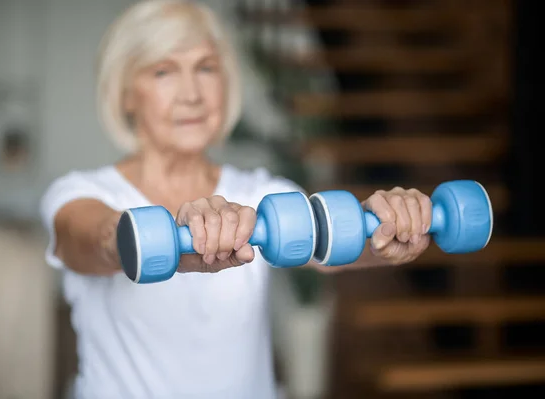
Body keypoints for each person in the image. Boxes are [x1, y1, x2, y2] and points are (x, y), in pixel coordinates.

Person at [39, 1, 433, 398]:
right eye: (163, 72)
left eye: (206, 68)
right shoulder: (80, 193)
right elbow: (99, 240)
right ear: (125, 95)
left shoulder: (260, 193)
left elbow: (328, 243)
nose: (192, 94)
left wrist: (388, 229)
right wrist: (175, 245)